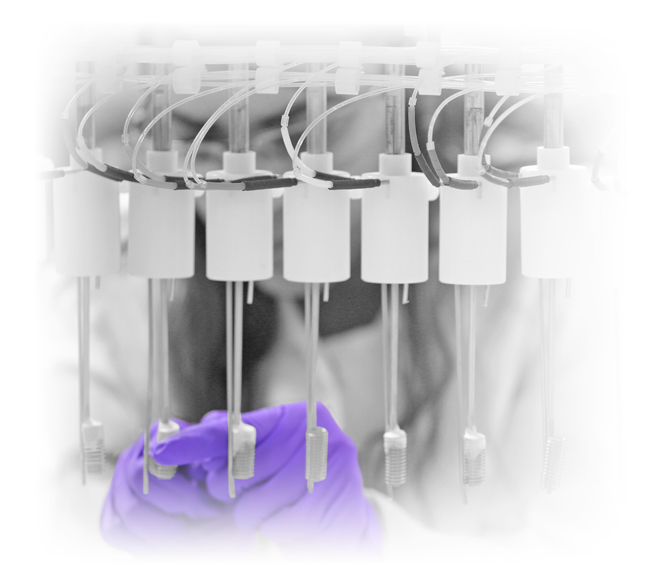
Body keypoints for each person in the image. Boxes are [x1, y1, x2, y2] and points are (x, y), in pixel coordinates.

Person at [40, 27, 620, 558]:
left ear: (403, 96)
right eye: (199, 142)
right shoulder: (119, 276)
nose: (253, 192)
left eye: (304, 135)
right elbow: (47, 506)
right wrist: (111, 526)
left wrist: (376, 543)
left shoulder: (551, 261)